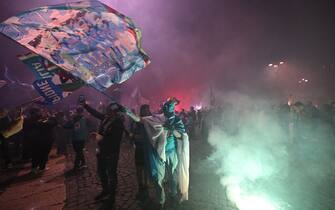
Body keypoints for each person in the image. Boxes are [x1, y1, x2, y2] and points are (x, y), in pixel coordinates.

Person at [125, 98, 190, 209]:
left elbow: (182, 136)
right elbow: (140, 120)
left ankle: (173, 193)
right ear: (164, 109)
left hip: (171, 152)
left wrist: (173, 129)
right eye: (167, 107)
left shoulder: (176, 120)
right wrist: (128, 112)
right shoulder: (157, 118)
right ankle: (161, 200)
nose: (169, 110)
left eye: (172, 108)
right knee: (157, 178)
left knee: (172, 175)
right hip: (158, 153)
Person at [79, 97, 125, 206]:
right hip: (102, 151)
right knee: (101, 171)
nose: (106, 111)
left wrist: (99, 137)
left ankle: (112, 196)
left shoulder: (118, 123)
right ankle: (105, 190)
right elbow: (95, 113)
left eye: (109, 110)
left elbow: (115, 140)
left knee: (111, 174)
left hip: (112, 153)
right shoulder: (107, 118)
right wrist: (85, 105)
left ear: (114, 112)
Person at [24, 108, 57, 174]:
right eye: (39, 111)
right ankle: (41, 167)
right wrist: (51, 117)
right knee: (43, 154)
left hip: (33, 141)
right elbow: (52, 124)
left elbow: (26, 131)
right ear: (36, 112)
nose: (41, 112)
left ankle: (34, 168)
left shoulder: (27, 120)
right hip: (44, 140)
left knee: (35, 155)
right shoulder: (41, 120)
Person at [129, 104, 151, 201]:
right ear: (141, 111)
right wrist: (133, 136)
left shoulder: (151, 121)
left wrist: (137, 137)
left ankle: (146, 186)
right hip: (139, 148)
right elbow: (133, 132)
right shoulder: (137, 121)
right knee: (139, 169)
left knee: (146, 168)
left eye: (147, 110)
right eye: (144, 110)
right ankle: (140, 186)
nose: (145, 112)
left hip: (147, 149)